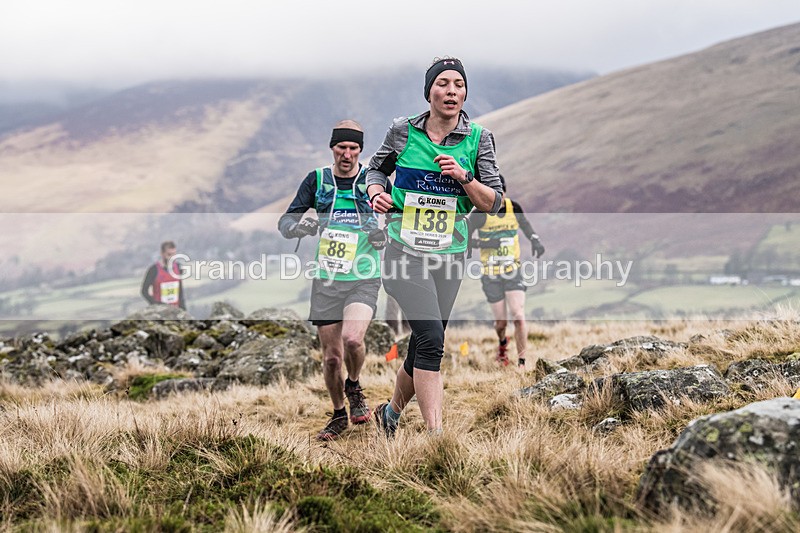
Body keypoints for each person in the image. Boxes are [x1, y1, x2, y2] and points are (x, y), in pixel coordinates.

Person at [367, 57, 504, 436]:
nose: (451, 91)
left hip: (450, 255)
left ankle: (391, 413)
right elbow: (375, 168)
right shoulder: (402, 131)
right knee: (431, 340)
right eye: (443, 83)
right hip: (403, 252)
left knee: (424, 343)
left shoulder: (479, 138)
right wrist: (377, 191)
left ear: (465, 93)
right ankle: (436, 437)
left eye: (458, 84)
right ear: (429, 91)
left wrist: (464, 178)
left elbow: (494, 202)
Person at [278, 119, 385, 441]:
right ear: (332, 148)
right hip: (326, 278)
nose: (347, 154)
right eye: (342, 148)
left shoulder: (372, 180)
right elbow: (286, 221)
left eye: (354, 148)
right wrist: (299, 228)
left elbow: (397, 214)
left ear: (360, 151)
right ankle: (339, 413)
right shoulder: (317, 181)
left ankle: (354, 384)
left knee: (353, 340)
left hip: (364, 274)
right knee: (331, 357)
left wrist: (384, 234)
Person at [467, 175, 545, 368]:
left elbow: (525, 225)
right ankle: (502, 342)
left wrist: (535, 239)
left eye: (500, 191)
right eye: (493, 192)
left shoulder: (514, 208)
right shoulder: (479, 213)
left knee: (518, 316)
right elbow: (463, 238)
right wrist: (486, 243)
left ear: (505, 191)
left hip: (513, 270)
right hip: (490, 273)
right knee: (501, 323)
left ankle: (522, 362)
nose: (498, 196)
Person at [140, 241, 186, 310]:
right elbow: (144, 291)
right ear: (162, 253)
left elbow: (180, 291)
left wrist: (184, 310)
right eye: (169, 254)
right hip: (160, 312)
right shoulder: (153, 270)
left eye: (174, 254)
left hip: (175, 310)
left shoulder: (178, 267)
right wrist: (155, 304)